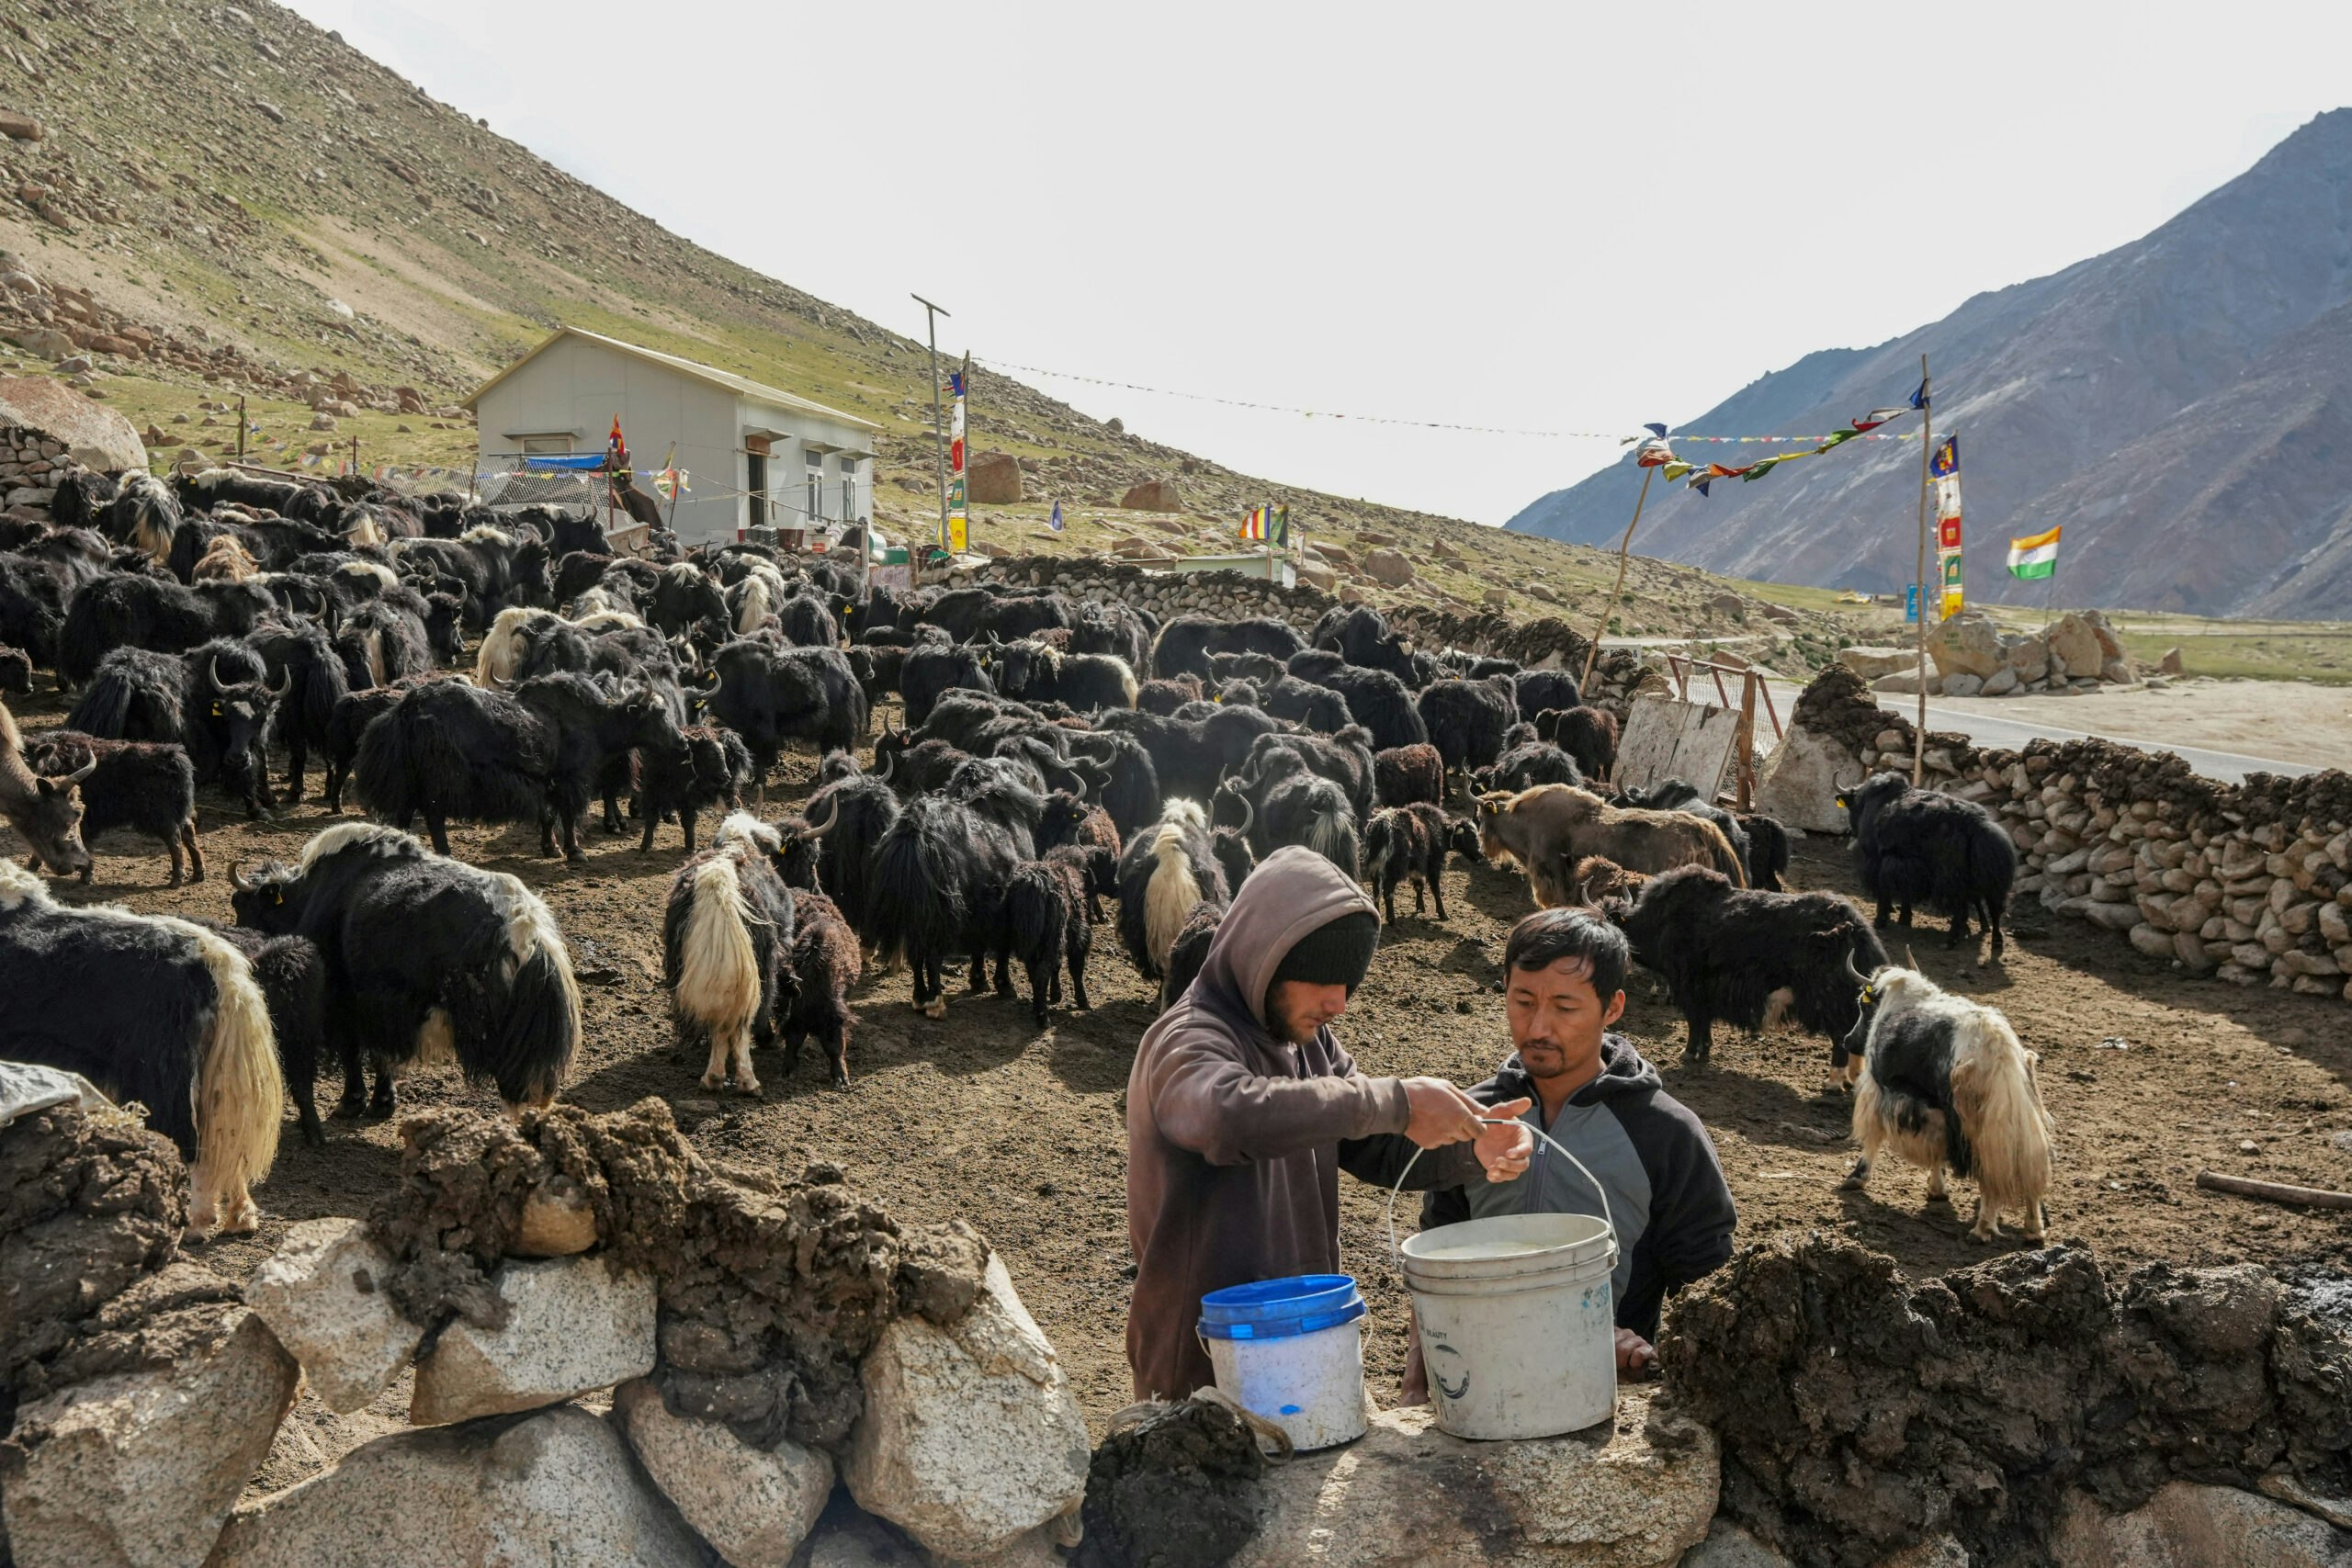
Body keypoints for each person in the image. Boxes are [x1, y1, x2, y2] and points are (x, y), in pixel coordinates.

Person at [1124, 845, 1535, 1401]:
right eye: (1321, 978)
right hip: (1204, 1367)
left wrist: (1471, 1148)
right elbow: (1226, 1117)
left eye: (1349, 983)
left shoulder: (1307, 1042)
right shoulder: (1189, 1039)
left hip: (1304, 1337)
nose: (1339, 1003)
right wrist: (1396, 1101)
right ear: (1264, 957)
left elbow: (1373, 1143)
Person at [1368, 906, 1736, 1387]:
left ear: (1613, 1007)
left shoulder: (1665, 1134)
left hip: (1604, 1393)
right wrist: (1417, 1388)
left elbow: (1708, 1290)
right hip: (1475, 1388)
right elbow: (1437, 1269)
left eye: (1565, 1008)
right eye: (1523, 1001)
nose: (1538, 1027)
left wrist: (1648, 1357)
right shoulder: (1471, 1117)